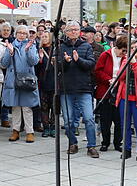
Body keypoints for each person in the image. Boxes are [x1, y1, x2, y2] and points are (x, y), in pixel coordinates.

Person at [59, 21, 98, 157]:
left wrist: (78, 60)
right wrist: (66, 62)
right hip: (67, 89)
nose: (74, 32)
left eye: (76, 29)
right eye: (71, 30)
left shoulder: (86, 46)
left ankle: (91, 146)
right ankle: (73, 143)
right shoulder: (61, 47)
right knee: (68, 120)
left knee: (89, 118)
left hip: (83, 88)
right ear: (66, 32)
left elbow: (91, 64)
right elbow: (57, 67)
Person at [0, 25, 40, 143]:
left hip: (26, 79)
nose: (22, 35)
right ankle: (15, 130)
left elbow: (34, 61)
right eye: (19, 33)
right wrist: (10, 52)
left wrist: (28, 51)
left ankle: (29, 131)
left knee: (27, 107)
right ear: (16, 34)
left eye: (24, 33)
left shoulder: (31, 45)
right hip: (13, 80)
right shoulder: (10, 45)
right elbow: (4, 64)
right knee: (15, 106)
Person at [94, 35, 127, 152]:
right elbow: (98, 71)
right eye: (122, 51)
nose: (123, 53)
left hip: (120, 91)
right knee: (105, 120)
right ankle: (105, 142)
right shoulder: (105, 55)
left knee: (118, 119)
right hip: (105, 91)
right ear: (117, 48)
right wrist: (108, 79)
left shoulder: (125, 57)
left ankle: (118, 143)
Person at [35, 30, 56, 137]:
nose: (44, 38)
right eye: (42, 36)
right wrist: (40, 59)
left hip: (55, 82)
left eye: (46, 36)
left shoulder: (55, 49)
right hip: (43, 81)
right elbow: (36, 69)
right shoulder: (38, 50)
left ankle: (53, 127)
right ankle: (46, 127)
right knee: (44, 107)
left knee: (54, 106)